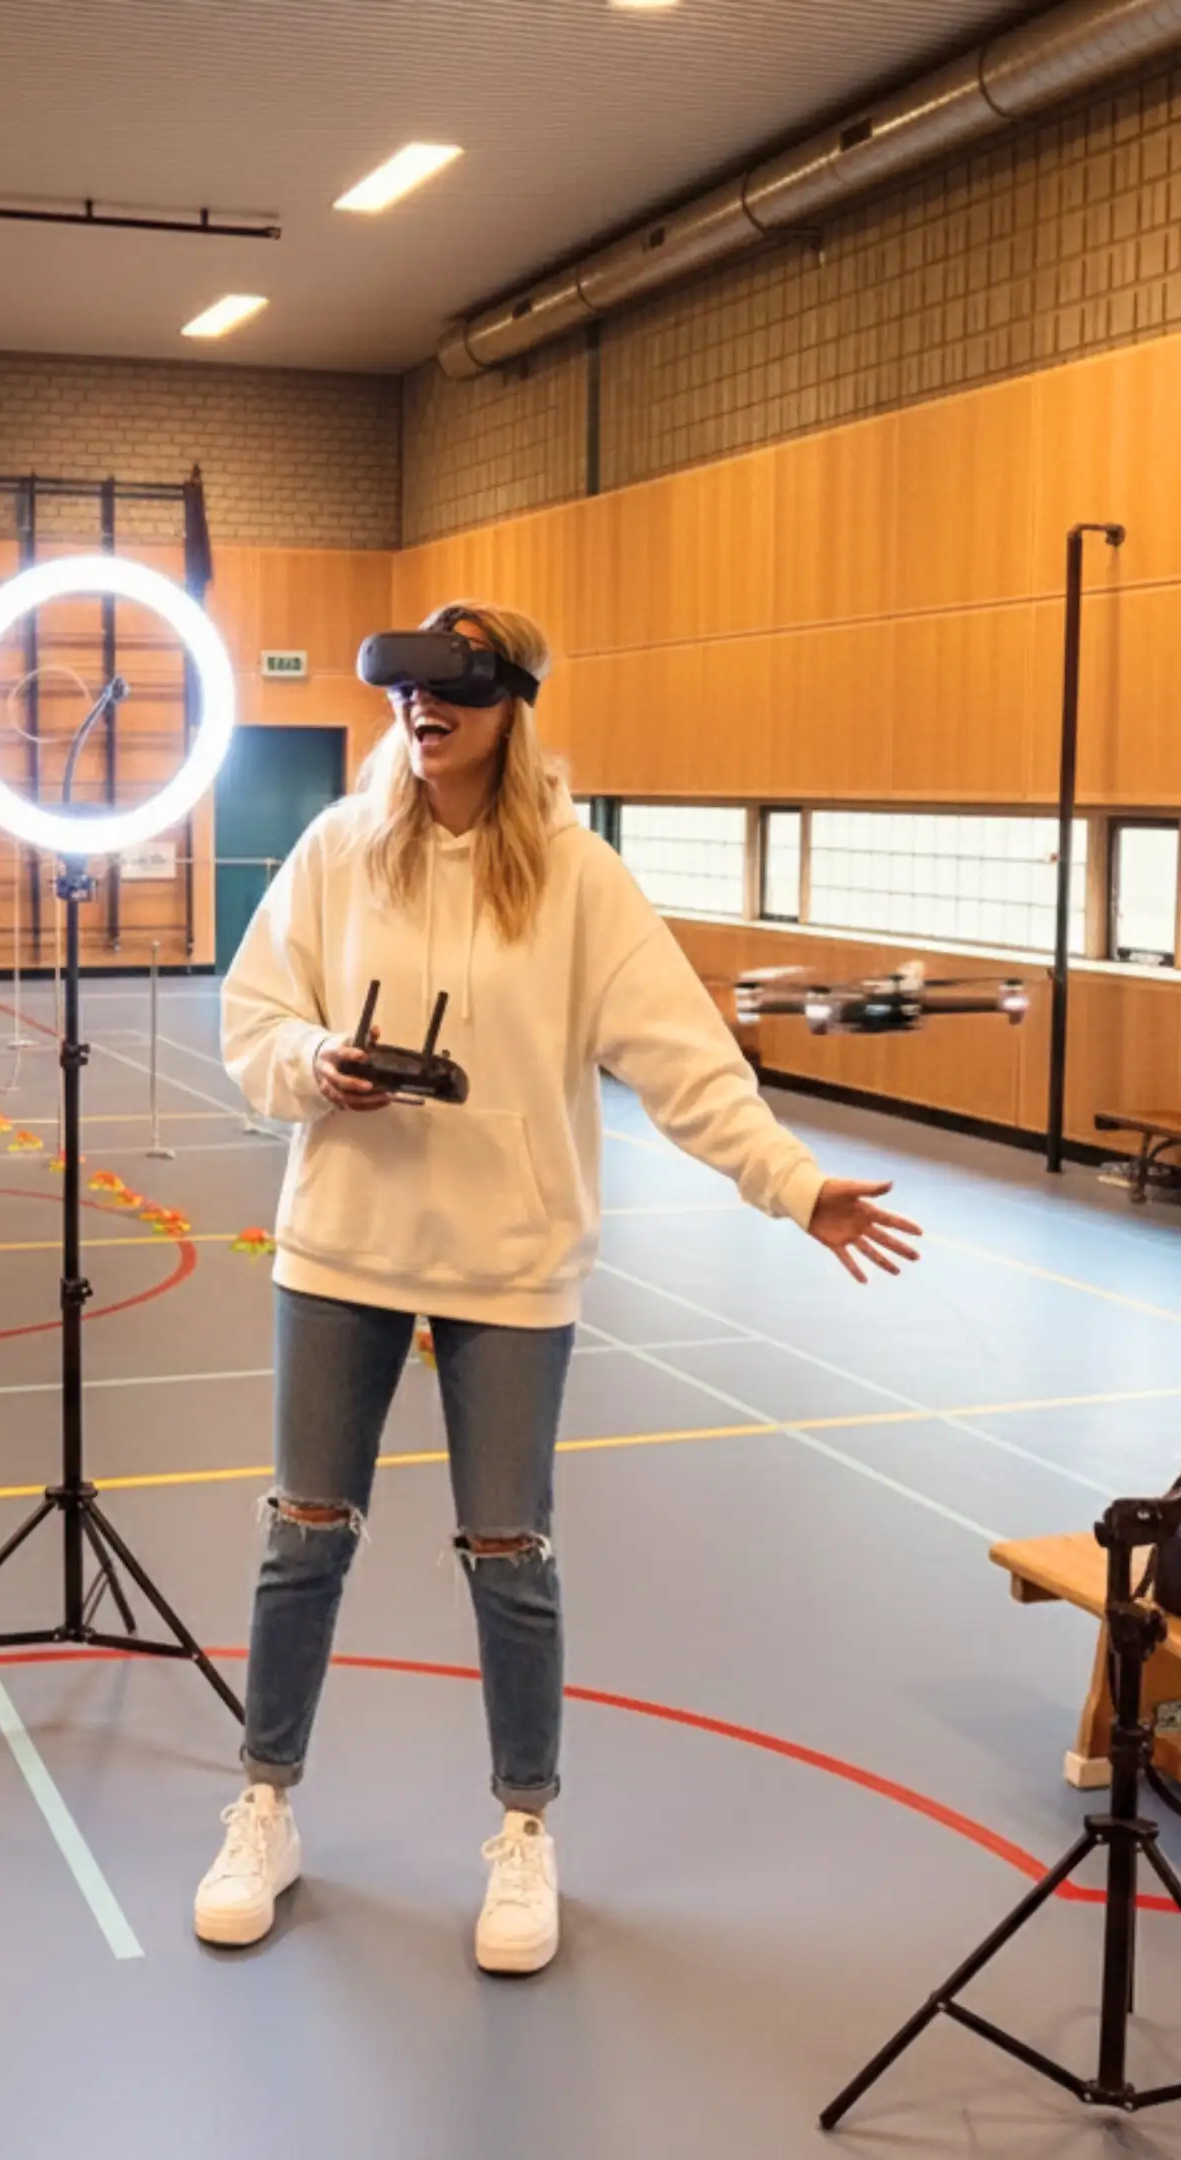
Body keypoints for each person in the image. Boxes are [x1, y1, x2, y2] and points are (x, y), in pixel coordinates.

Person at [196, 600, 922, 1969]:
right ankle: (265, 1804)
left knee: (510, 1555)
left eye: (454, 692)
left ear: (512, 704)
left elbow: (686, 1061)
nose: (425, 712)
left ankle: (524, 1834)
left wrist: (790, 1180)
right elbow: (254, 1016)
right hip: (339, 1249)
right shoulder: (341, 850)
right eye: (407, 690)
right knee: (303, 1538)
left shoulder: (582, 880)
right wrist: (312, 1070)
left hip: (510, 1267)